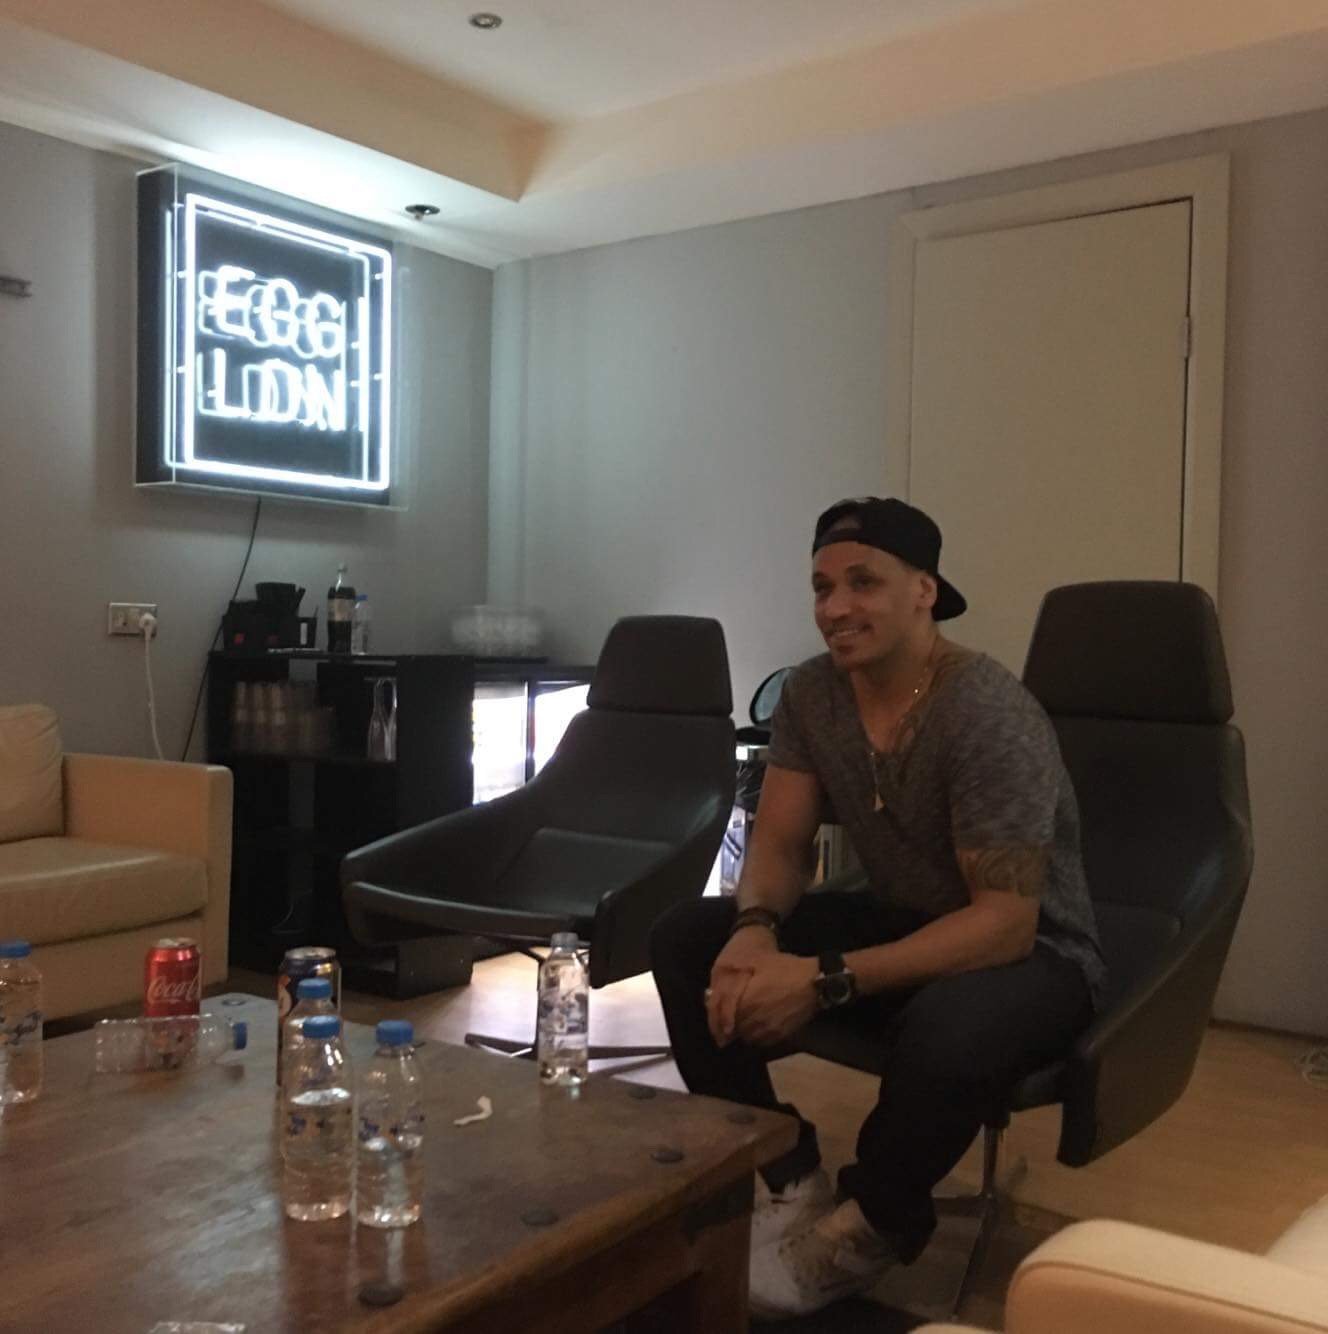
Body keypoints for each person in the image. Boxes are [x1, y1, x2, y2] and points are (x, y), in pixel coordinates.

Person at [650, 496, 1106, 1320]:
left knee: (948, 1024)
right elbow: (781, 844)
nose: (835, 608)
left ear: (925, 590)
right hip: (906, 919)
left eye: (863, 583)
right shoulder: (813, 695)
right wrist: (754, 930)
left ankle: (872, 1225)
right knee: (687, 938)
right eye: (822, 587)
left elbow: (1005, 923)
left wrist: (822, 978)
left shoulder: (987, 712)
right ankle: (788, 1173)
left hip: (1038, 951)